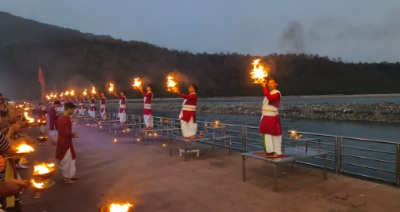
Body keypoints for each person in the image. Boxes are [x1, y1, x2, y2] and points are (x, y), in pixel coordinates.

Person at [55, 103, 79, 184]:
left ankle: (70, 175)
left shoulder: (60, 118)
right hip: (66, 143)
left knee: (70, 158)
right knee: (67, 159)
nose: (73, 111)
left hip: (61, 141)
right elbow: (67, 133)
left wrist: (71, 134)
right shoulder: (66, 119)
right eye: (73, 109)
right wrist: (73, 135)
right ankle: (66, 178)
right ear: (69, 109)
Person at [259, 78, 283, 157]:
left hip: (272, 117)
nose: (270, 84)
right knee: (266, 134)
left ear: (276, 84)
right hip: (265, 116)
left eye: (272, 83)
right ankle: (269, 151)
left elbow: (271, 98)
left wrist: (264, 87)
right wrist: (264, 86)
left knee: (275, 134)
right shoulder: (269, 93)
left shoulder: (277, 93)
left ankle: (277, 152)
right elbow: (268, 97)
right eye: (269, 83)